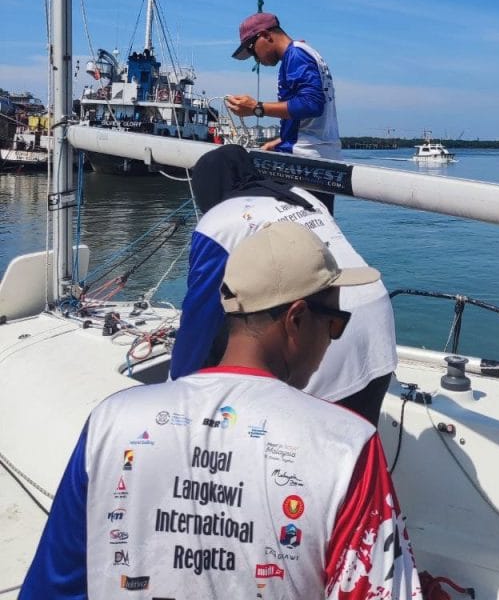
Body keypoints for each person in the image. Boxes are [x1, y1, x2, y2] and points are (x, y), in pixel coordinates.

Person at [20, 223, 422, 600]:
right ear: (297, 319)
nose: (333, 340)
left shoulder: (110, 422)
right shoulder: (346, 446)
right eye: (334, 323)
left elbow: (53, 587)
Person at [171, 145, 397, 425]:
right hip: (375, 316)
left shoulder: (218, 220)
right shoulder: (300, 196)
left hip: (320, 325)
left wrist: (177, 389)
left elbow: (199, 317)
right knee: (356, 438)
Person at [227, 11, 340, 160]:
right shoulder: (301, 53)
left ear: (265, 35)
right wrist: (279, 141)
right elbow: (306, 118)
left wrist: (256, 108)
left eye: (252, 49)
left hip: (306, 155)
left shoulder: (296, 55)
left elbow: (311, 104)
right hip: (316, 151)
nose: (255, 59)